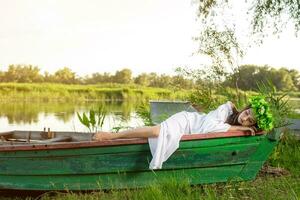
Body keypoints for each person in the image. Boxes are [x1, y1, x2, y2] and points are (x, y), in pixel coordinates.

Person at [93, 96, 273, 169]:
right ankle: (111, 136)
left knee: (159, 134)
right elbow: (209, 128)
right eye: (247, 113)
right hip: (187, 121)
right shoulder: (226, 109)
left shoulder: (234, 119)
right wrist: (239, 128)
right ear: (247, 108)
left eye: (250, 121)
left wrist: (245, 129)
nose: (245, 119)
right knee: (156, 131)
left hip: (191, 130)